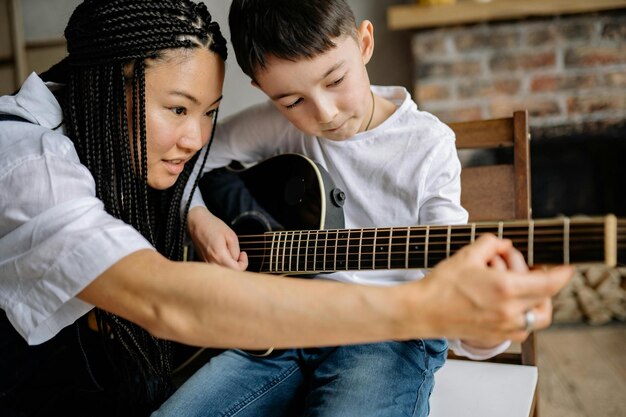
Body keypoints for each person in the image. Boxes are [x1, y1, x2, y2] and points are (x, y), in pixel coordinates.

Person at [0, 0, 572, 416]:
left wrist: (480, 321)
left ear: (364, 44)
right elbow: (162, 287)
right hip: (276, 332)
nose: (320, 112)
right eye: (178, 109)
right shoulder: (27, 161)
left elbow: (460, 312)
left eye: (208, 113)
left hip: (386, 336)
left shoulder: (427, 146)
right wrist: (198, 215)